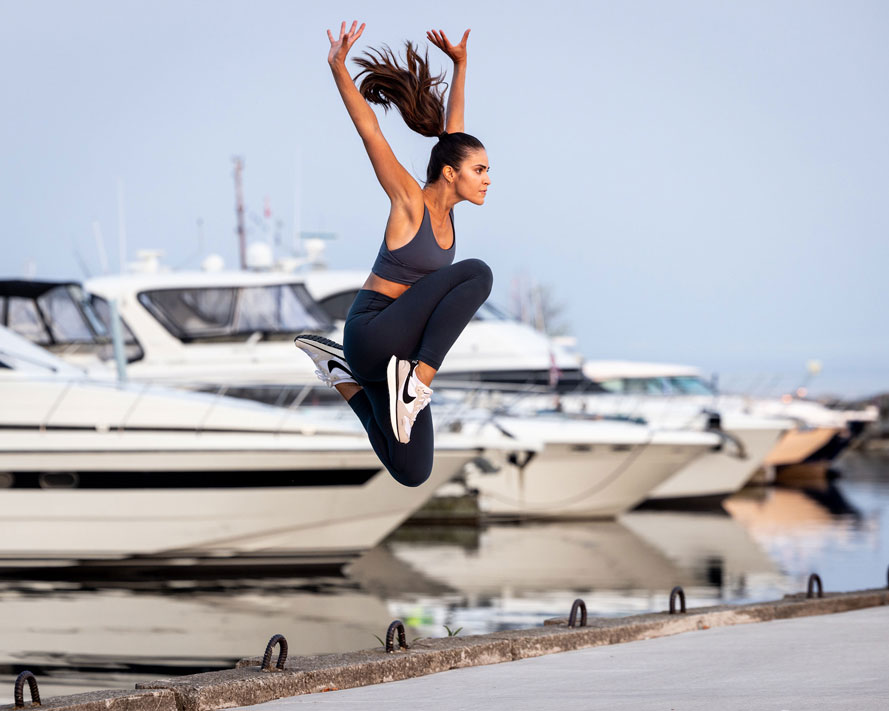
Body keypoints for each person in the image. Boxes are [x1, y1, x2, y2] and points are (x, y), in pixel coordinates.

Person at [295, 21, 493, 488]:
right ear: (450, 174)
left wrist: (460, 66)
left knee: (412, 471)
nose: (487, 179)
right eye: (480, 170)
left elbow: (454, 135)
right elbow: (370, 131)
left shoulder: (449, 200)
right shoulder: (409, 200)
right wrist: (337, 66)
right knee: (477, 274)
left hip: (388, 362)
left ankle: (342, 375)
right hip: (375, 331)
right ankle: (419, 383)